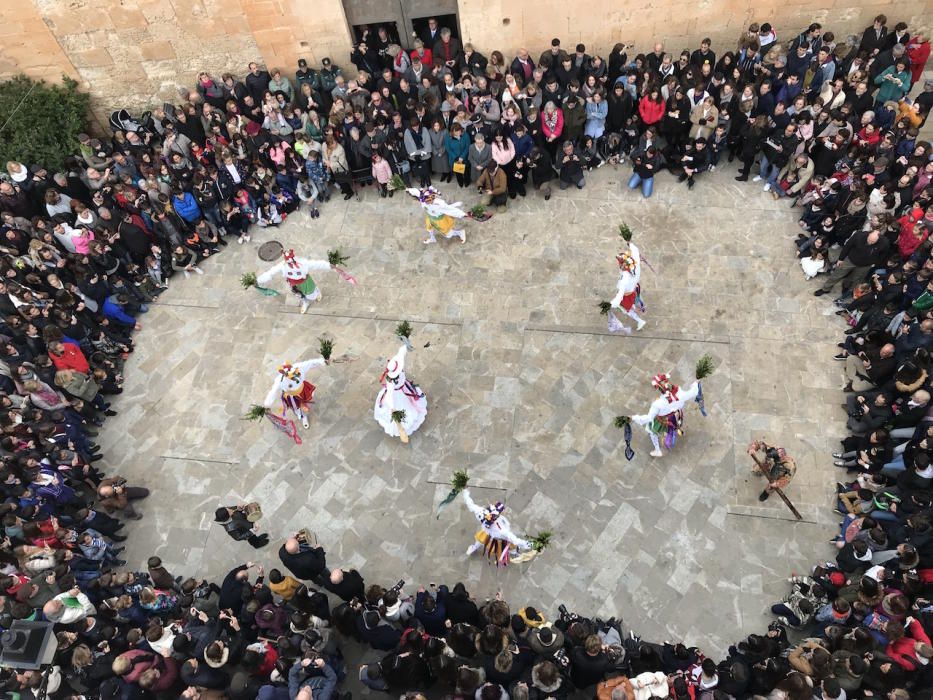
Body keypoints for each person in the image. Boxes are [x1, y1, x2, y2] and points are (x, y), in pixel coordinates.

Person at [255, 248, 354, 313]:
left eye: (291, 259)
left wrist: (329, 265)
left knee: (312, 293)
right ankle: (305, 303)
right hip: (293, 284)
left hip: (305, 282)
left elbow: (316, 263)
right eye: (287, 260)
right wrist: (258, 280)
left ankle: (317, 293)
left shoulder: (303, 263)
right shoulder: (282, 265)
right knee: (299, 295)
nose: (289, 261)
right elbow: (271, 272)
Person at [631, 373, 703, 457]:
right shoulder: (681, 394)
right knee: (676, 424)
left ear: (659, 389)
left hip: (662, 420)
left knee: (652, 432)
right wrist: (696, 382)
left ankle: (658, 450)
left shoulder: (657, 404)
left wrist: (634, 417)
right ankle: (676, 429)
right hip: (675, 416)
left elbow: (649, 418)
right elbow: (693, 392)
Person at [461, 489, 532, 565]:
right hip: (496, 537)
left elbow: (471, 505)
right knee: (506, 544)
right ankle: (514, 552)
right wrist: (529, 544)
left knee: (480, 541)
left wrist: (465, 491)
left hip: (491, 533)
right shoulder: (501, 530)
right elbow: (514, 539)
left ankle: (514, 552)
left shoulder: (481, 512)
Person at [374, 339, 427, 440]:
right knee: (405, 407)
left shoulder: (397, 361)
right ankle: (400, 427)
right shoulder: (391, 382)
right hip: (397, 395)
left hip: (404, 389)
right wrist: (394, 410)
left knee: (410, 400)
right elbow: (389, 397)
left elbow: (401, 352)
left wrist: (406, 344)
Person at [263, 356, 330, 429]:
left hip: (303, 390)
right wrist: (267, 404)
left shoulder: (299, 367)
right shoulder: (280, 380)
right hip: (292, 397)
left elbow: (310, 363)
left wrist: (322, 361)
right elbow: (273, 392)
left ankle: (305, 405)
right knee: (297, 409)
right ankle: (303, 417)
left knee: (308, 400)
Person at [608, 240, 647, 333]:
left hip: (626, 296)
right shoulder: (635, 265)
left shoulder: (624, 279)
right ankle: (636, 307)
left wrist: (613, 303)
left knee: (625, 309)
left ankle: (640, 321)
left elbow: (620, 293)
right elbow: (636, 252)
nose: (619, 264)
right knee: (632, 303)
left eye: (621, 263)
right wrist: (630, 244)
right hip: (634, 290)